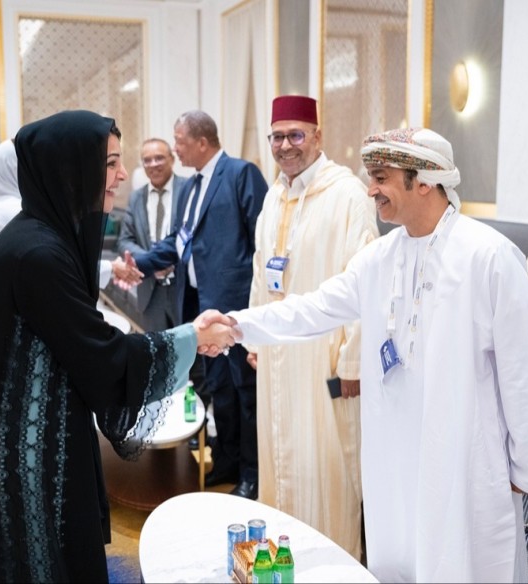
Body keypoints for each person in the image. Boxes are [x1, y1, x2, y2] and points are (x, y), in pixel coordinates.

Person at [202, 127, 528, 582]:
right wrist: (238, 327)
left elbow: (525, 368)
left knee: (462, 563)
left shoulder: (488, 256)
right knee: (399, 559)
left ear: (424, 180)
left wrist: (526, 465)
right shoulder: (380, 258)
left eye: (381, 177)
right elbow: (315, 308)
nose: (370, 190)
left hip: (463, 457)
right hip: (393, 453)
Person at [0, 110, 235, 582]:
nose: (123, 174)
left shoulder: (44, 236)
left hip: (23, 421)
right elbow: (103, 358)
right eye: (111, 163)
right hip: (3, 442)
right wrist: (192, 339)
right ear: (72, 169)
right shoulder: (36, 253)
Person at [246, 95, 377, 559]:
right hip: (276, 358)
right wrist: (254, 336)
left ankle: (332, 564)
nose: (285, 146)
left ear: (318, 137)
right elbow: (261, 270)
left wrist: (352, 360)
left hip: (325, 360)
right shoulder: (273, 195)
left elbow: (365, 280)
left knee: (327, 466)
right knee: (279, 457)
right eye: (277, 137)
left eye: (295, 135)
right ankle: (283, 560)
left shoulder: (348, 195)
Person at [128, 110, 268, 499]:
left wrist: (256, 304)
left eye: (180, 141)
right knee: (219, 388)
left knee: (245, 392)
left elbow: (262, 242)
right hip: (200, 306)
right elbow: (178, 240)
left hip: (234, 309)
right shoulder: (191, 185)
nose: (176, 149)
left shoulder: (240, 174)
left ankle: (252, 473)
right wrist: (136, 265)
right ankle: (225, 458)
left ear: (202, 142)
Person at [0, 138, 141, 289]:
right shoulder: (13, 210)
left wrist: (111, 267)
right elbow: (58, 265)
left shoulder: (6, 203)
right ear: (15, 168)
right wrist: (111, 267)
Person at [116, 138, 186, 331]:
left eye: (159, 158)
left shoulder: (188, 189)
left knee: (191, 347)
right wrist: (152, 262)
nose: (153, 164)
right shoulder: (136, 197)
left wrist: (165, 260)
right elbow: (124, 241)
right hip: (150, 292)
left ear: (172, 159)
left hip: (183, 290)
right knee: (156, 348)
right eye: (147, 160)